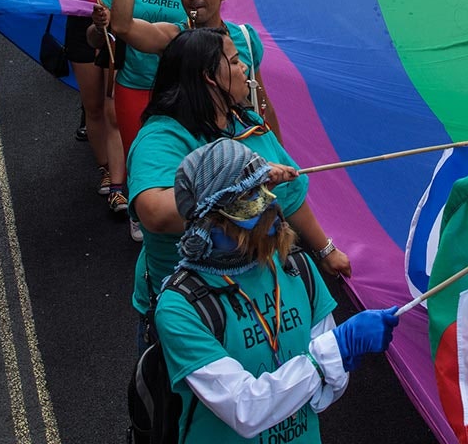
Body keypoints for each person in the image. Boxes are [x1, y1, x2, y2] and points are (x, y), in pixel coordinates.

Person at [154, 138, 396, 444]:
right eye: (249, 194)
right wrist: (333, 352)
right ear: (211, 218)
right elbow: (245, 410)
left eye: (265, 187)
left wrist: (329, 361)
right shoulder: (181, 306)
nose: (270, 203)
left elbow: (328, 392)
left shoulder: (297, 267)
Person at [127, 28, 351, 323]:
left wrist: (325, 249)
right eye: (234, 62)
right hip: (193, 310)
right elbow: (154, 214)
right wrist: (243, 179)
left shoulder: (247, 122)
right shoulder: (162, 137)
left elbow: (290, 196)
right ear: (210, 76)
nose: (244, 67)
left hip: (259, 293)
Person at [102, 0, 282, 139]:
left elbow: (260, 100)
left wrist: (283, 158)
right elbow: (122, 26)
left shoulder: (246, 38)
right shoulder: (173, 37)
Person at [93, 0, 194, 164]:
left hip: (176, 91)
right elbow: (96, 39)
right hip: (132, 84)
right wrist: (99, 27)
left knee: (173, 161)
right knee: (136, 158)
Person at [62, 0, 129, 218]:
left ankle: (120, 180)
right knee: (94, 107)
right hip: (82, 31)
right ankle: (105, 165)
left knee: (114, 106)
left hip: (117, 35)